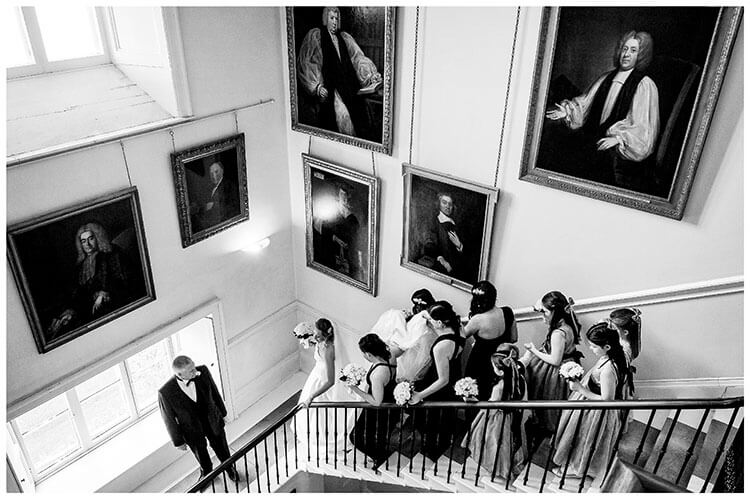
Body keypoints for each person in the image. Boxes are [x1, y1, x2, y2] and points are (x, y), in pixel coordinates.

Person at [545, 30, 660, 192]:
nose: (626, 54)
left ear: (641, 55)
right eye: (624, 49)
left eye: (633, 50)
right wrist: (567, 111)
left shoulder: (644, 85)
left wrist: (619, 139)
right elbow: (584, 103)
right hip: (592, 137)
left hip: (614, 149)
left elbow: (643, 128)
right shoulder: (605, 77)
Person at [552, 322, 634, 486]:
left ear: (607, 347)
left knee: (586, 439)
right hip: (590, 403)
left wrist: (580, 389)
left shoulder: (608, 370)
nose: (591, 349)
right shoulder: (610, 356)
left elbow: (607, 400)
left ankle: (578, 469)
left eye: (594, 346)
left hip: (598, 412)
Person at [297, 7, 383, 139]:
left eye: (337, 18)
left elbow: (357, 58)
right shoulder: (316, 36)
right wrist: (317, 86)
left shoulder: (344, 37)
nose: (335, 22)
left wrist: (370, 74)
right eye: (332, 18)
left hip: (349, 85)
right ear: (326, 18)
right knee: (343, 116)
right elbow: (307, 63)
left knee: (361, 113)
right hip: (331, 87)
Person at [47, 222, 136, 338]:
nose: (87, 244)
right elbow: (76, 294)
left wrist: (104, 294)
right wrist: (70, 310)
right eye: (83, 241)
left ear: (98, 238)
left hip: (112, 308)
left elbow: (126, 281)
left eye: (91, 239)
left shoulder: (112, 254)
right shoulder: (80, 266)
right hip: (86, 312)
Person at [158, 355, 239, 482]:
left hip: (212, 420)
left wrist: (223, 413)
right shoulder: (165, 392)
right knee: (201, 454)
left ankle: (229, 468)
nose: (195, 371)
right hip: (191, 429)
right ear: (180, 374)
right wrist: (178, 441)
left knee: (222, 447)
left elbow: (215, 392)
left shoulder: (203, 371)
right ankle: (207, 472)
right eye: (190, 371)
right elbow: (168, 419)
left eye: (193, 367)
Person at [521, 291, 583, 448]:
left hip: (553, 372)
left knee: (545, 396)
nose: (544, 315)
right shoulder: (569, 322)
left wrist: (533, 350)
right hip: (567, 361)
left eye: (546, 312)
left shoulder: (558, 333)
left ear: (556, 311)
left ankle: (543, 427)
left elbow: (555, 360)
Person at [462, 344, 529, 483]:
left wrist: (473, 400)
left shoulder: (499, 386)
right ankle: (507, 467)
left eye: (494, 366)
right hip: (511, 416)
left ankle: (498, 470)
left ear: (500, 371)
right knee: (507, 444)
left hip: (496, 419)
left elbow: (491, 405)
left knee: (494, 444)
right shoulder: (519, 379)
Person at [409, 301, 466, 461]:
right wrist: (425, 314)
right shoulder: (459, 330)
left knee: (431, 421)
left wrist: (420, 395)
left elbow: (443, 379)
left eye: (432, 321)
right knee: (445, 417)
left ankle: (432, 450)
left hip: (439, 385)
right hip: (454, 377)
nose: (429, 323)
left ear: (440, 323)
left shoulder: (441, 346)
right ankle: (441, 441)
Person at [293, 319, 355, 461]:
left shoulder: (329, 349)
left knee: (322, 415)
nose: (315, 336)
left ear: (327, 334)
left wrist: (312, 396)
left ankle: (323, 440)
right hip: (315, 377)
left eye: (318, 334)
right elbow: (315, 344)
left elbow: (330, 381)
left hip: (322, 384)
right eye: (315, 333)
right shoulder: (320, 342)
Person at [347, 333, 399, 468]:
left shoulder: (378, 374)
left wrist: (356, 389)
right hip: (391, 400)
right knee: (381, 435)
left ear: (369, 354)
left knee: (356, 436)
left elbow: (377, 401)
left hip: (379, 410)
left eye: (364, 353)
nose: (363, 356)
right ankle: (380, 455)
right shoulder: (390, 355)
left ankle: (378, 457)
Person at [464, 281, 518, 401]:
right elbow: (514, 339)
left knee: (475, 397)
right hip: (501, 362)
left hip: (479, 364)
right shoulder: (508, 312)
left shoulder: (477, 320)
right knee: (496, 396)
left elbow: (461, 337)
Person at [370, 288, 438, 382]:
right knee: (395, 314)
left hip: (410, 347)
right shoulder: (415, 317)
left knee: (396, 315)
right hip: (403, 341)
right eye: (416, 304)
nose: (417, 307)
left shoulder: (425, 317)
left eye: (420, 305)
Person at [318, 183, 362, 280]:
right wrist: (336, 239)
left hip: (347, 257)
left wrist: (348, 244)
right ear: (339, 196)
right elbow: (324, 231)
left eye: (347, 198)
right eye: (343, 197)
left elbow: (355, 239)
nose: (345, 200)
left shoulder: (353, 219)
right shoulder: (331, 212)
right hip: (332, 254)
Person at [421, 192, 469, 282]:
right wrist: (442, 260)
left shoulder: (457, 224)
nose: (447, 206)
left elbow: (468, 251)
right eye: (444, 202)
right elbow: (429, 244)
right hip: (441, 267)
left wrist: (459, 245)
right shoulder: (434, 222)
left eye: (450, 204)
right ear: (439, 204)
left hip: (458, 268)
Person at [191, 160, 238, 232]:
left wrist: (212, 206)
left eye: (216, 172)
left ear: (222, 171)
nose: (214, 176)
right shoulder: (209, 187)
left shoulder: (229, 186)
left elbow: (232, 207)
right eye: (211, 173)